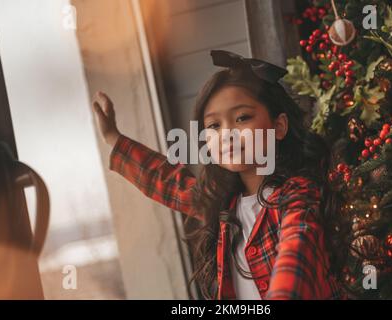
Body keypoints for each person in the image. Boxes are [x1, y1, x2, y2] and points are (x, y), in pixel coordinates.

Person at [92, 50, 344, 300]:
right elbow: (167, 181)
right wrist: (112, 137)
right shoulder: (223, 203)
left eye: (242, 118)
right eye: (214, 125)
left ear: (278, 127)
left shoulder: (298, 195)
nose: (227, 134)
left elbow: (296, 253)